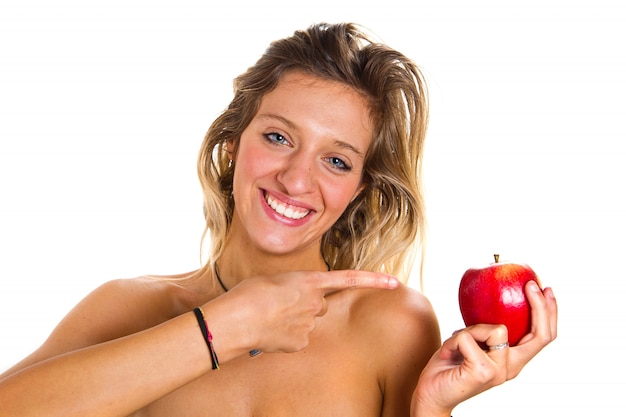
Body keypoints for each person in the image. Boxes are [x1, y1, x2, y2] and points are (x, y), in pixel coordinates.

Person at [0, 22, 557, 417]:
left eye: (336, 160)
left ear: (359, 189)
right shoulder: (131, 308)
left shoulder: (393, 323)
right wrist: (224, 326)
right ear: (231, 143)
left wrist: (432, 409)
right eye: (278, 137)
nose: (296, 179)